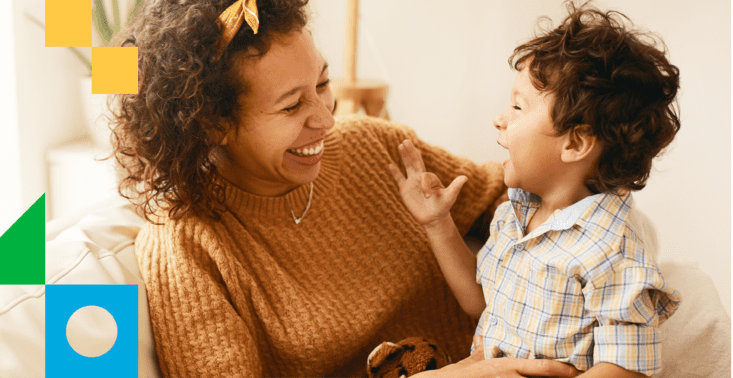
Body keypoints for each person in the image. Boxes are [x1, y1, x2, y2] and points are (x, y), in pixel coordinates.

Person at [109, 0, 582, 377]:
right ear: (215, 124)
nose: (327, 118)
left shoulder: (371, 146)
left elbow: (508, 193)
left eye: (323, 82)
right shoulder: (185, 247)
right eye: (293, 107)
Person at [389, 3, 681, 377]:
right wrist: (438, 224)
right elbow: (481, 304)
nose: (500, 117)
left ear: (575, 144)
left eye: (517, 106)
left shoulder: (612, 248)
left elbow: (627, 366)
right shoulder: (513, 214)